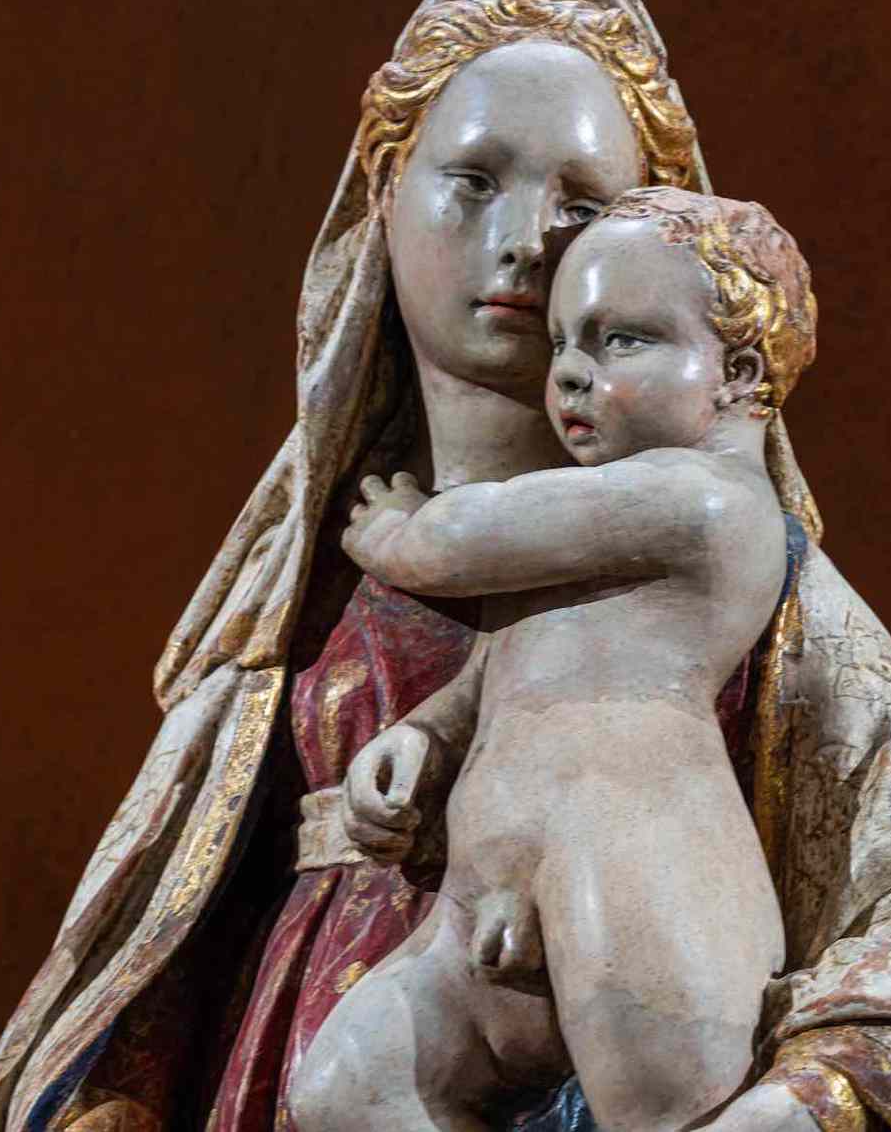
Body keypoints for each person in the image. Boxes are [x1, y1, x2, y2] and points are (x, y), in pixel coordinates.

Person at [0, 0, 891, 1132]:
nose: (525, 241)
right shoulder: (294, 610)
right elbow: (151, 969)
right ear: (382, 198)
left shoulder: (732, 565)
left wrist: (810, 1104)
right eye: (472, 181)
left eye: (584, 206)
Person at [290, 189, 813, 1131]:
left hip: (631, 867)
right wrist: (425, 738)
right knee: (345, 1090)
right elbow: (509, 666)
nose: (569, 373)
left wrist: (396, 530)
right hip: (475, 896)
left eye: (621, 341)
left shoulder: (707, 502)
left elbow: (460, 539)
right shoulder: (592, 528)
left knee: (660, 1114)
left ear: (738, 371)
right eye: (563, 342)